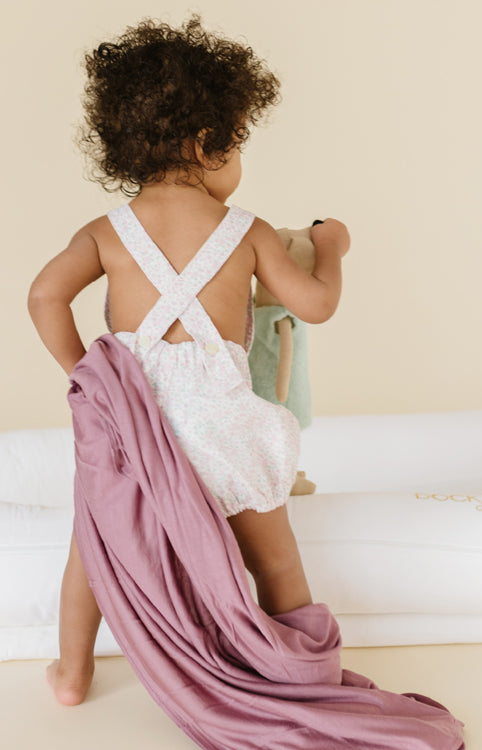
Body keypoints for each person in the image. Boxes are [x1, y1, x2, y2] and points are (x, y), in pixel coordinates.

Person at [27, 15, 350, 707]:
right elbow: (316, 305)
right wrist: (331, 248)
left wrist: (90, 377)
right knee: (274, 558)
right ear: (208, 143)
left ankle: (72, 675)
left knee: (93, 550)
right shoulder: (248, 231)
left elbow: (44, 295)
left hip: (134, 429)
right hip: (223, 427)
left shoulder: (105, 231)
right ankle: (305, 672)